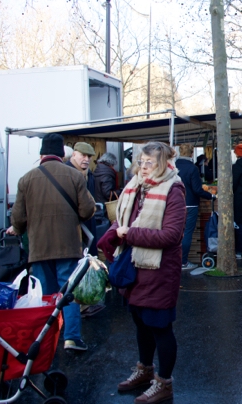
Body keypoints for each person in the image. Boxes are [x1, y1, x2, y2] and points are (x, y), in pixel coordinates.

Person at [97, 141, 185, 404]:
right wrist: (114, 233)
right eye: (141, 162)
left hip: (159, 271)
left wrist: (129, 234)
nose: (144, 167)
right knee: (141, 323)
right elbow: (123, 220)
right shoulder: (135, 186)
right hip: (134, 268)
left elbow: (171, 235)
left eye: (151, 163)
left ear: (165, 164)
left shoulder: (174, 189)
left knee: (160, 327)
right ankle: (145, 371)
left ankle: (164, 383)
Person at [7, 133, 96, 351]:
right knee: (69, 293)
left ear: (41, 154)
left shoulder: (26, 179)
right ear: (62, 154)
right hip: (68, 245)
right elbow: (87, 210)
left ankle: (45, 341)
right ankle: (72, 338)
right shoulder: (75, 176)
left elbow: (18, 218)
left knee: (44, 296)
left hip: (39, 248)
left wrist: (18, 229)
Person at [176, 143, 215, 271]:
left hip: (174, 204)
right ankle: (183, 262)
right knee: (187, 233)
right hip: (190, 204)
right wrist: (211, 196)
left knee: (176, 233)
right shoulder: (192, 168)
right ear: (191, 153)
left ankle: (174, 260)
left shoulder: (173, 167)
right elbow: (197, 189)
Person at [67, 142, 98, 256]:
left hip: (88, 224)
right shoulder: (66, 173)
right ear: (74, 154)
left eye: (89, 156)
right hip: (72, 227)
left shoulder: (89, 175)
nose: (86, 159)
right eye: (83, 155)